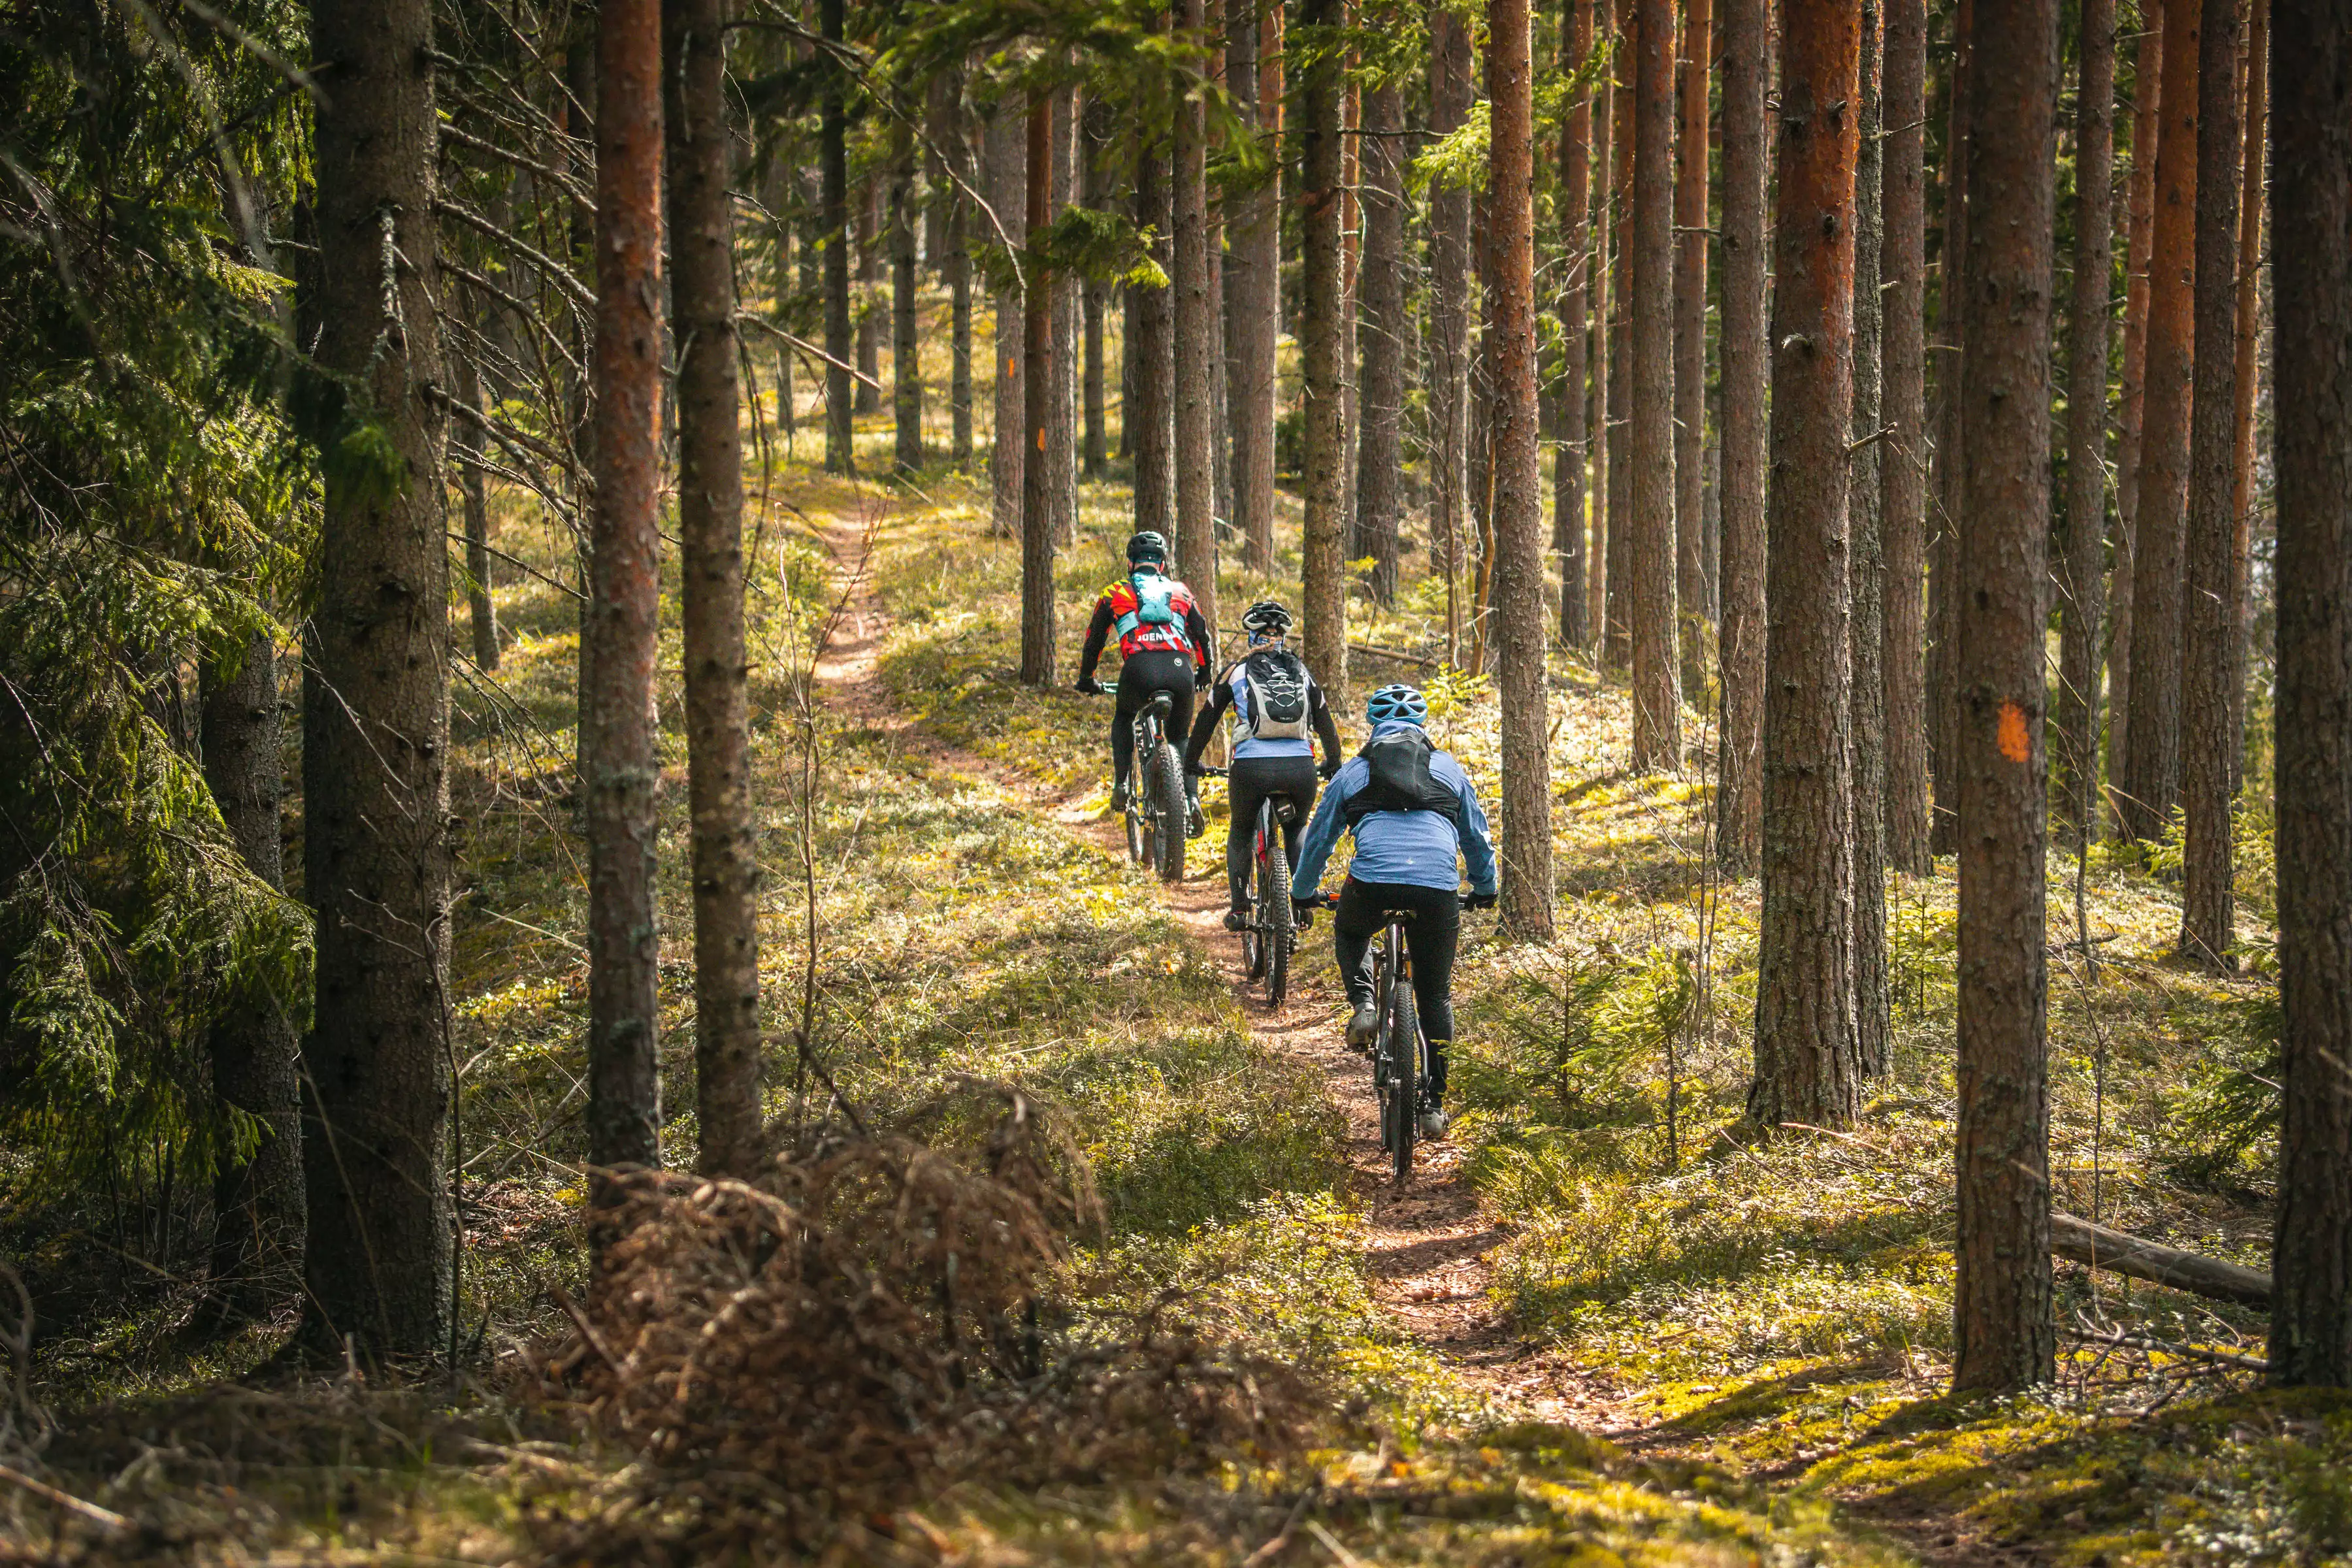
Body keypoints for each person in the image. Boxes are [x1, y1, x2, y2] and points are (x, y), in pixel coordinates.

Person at [1292, 684, 1497, 1139]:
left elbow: (1319, 838)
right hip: (1436, 890)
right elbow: (1476, 839)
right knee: (1436, 996)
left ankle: (1364, 1004)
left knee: (1351, 932)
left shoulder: (1354, 772)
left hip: (1372, 884)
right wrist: (1485, 888)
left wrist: (1302, 892)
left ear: (1374, 726)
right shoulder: (1449, 769)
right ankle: (1433, 1106)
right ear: (1423, 727)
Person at [1181, 601, 1344, 932]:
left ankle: (1240, 909)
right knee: (1297, 828)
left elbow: (1207, 717)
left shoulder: (1236, 671)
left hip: (1251, 768)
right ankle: (1301, 902)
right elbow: (1325, 721)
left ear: (1251, 636)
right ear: (1282, 637)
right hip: (1301, 767)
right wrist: (1334, 761)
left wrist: (1191, 761)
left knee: (1241, 829)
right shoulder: (1302, 672)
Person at [1075, 531, 1213, 832]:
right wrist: (1204, 671)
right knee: (1180, 738)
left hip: (1138, 670)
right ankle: (1191, 800)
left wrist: (1087, 678)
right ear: (1162, 565)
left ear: (1130, 563)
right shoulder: (1181, 592)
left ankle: (1122, 783)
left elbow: (1094, 639)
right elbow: (1201, 633)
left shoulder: (1115, 593)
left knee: (1124, 716)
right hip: (1180, 671)